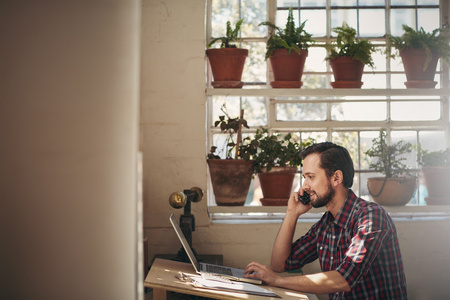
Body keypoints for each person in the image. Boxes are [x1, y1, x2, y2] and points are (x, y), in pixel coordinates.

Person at [244, 142, 407, 299]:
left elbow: (343, 279)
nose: (305, 186)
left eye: (311, 177)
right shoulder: (326, 224)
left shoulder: (371, 217)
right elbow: (279, 264)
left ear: (336, 178)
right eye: (304, 177)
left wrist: (278, 281)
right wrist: (292, 213)